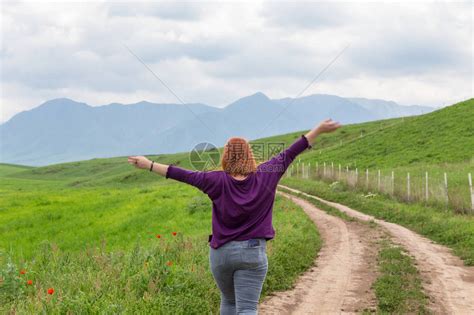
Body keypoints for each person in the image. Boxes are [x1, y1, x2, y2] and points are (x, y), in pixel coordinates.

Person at [127, 118, 341, 314]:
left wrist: (149, 165)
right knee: (247, 308)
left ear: (225, 156)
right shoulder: (267, 174)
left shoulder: (214, 180)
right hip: (252, 253)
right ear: (250, 155)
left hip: (221, 254)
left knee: (228, 302)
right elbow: (292, 151)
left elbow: (180, 173)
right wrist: (318, 130)